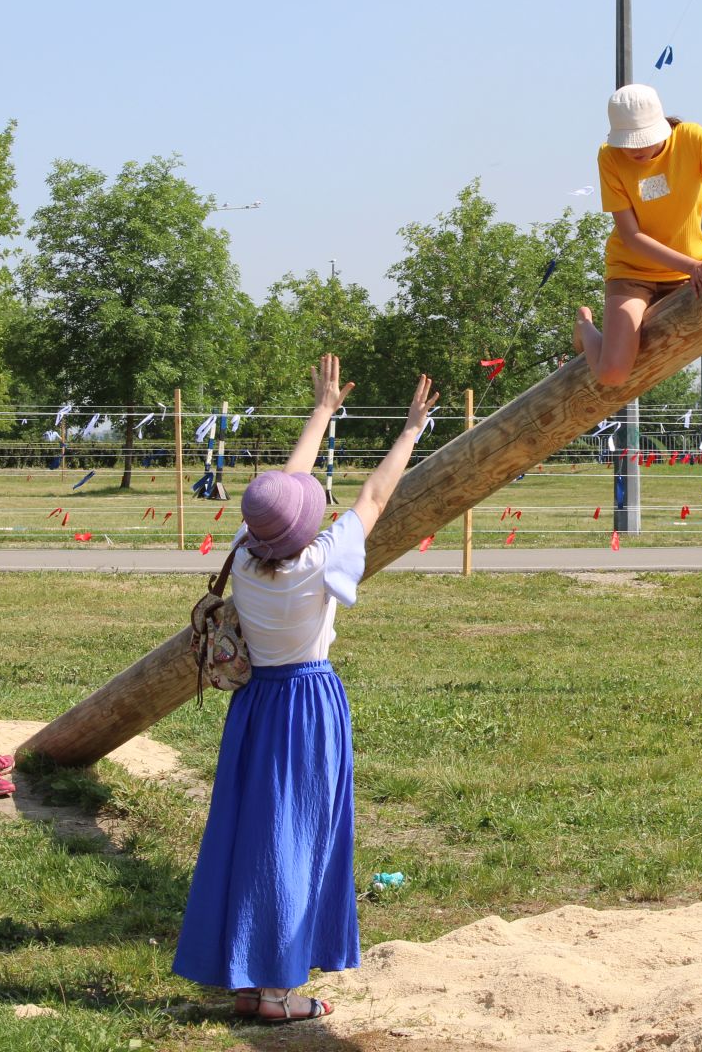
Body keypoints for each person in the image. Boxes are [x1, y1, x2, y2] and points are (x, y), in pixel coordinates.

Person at [174, 355, 437, 1024]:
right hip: (308, 705)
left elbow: (285, 488)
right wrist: (409, 432)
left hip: (255, 703)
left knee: (249, 832)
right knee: (294, 840)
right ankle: (278, 994)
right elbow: (375, 498)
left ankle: (244, 976)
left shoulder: (246, 552)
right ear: (304, 526)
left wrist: (321, 409)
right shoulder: (321, 562)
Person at [573, 85, 702, 387]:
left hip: (693, 272)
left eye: (642, 141)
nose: (636, 151)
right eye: (628, 143)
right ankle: (584, 326)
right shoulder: (610, 157)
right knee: (612, 375)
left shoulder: (691, 138)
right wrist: (689, 266)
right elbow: (631, 236)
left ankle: (695, 332)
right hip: (634, 272)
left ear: (662, 126)